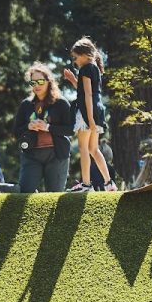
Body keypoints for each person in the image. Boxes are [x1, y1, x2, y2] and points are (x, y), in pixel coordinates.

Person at [62, 37, 115, 193]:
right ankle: (109, 182)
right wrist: (73, 80)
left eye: (76, 57)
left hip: (87, 112)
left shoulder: (85, 69)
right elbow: (87, 91)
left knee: (84, 148)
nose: (75, 61)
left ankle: (86, 184)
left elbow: (87, 95)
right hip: (98, 111)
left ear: (85, 54)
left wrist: (89, 119)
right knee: (93, 148)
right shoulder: (94, 68)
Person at [13, 63, 73, 194]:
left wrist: (48, 127)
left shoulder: (61, 103)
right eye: (32, 82)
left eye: (40, 81)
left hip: (57, 155)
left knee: (54, 196)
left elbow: (70, 129)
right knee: (24, 192)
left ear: (48, 81)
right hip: (31, 155)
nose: (36, 85)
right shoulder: (26, 105)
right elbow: (16, 131)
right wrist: (28, 126)